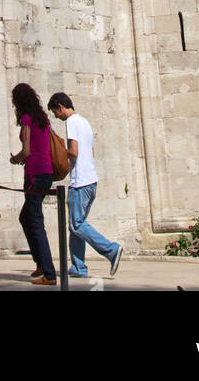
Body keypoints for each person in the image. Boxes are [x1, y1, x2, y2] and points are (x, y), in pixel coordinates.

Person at [47, 91, 123, 278]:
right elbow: (91, 152)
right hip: (91, 181)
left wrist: (56, 154)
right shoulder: (85, 122)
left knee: (77, 225)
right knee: (76, 226)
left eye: (55, 113)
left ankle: (111, 250)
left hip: (80, 183)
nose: (56, 117)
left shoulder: (71, 122)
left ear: (60, 107)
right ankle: (78, 267)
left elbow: (73, 152)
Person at [10, 82, 56, 286]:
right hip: (45, 172)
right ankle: (40, 263)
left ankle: (49, 273)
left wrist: (15, 159)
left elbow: (27, 151)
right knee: (26, 217)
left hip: (35, 174)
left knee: (35, 222)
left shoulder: (27, 119)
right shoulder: (43, 119)